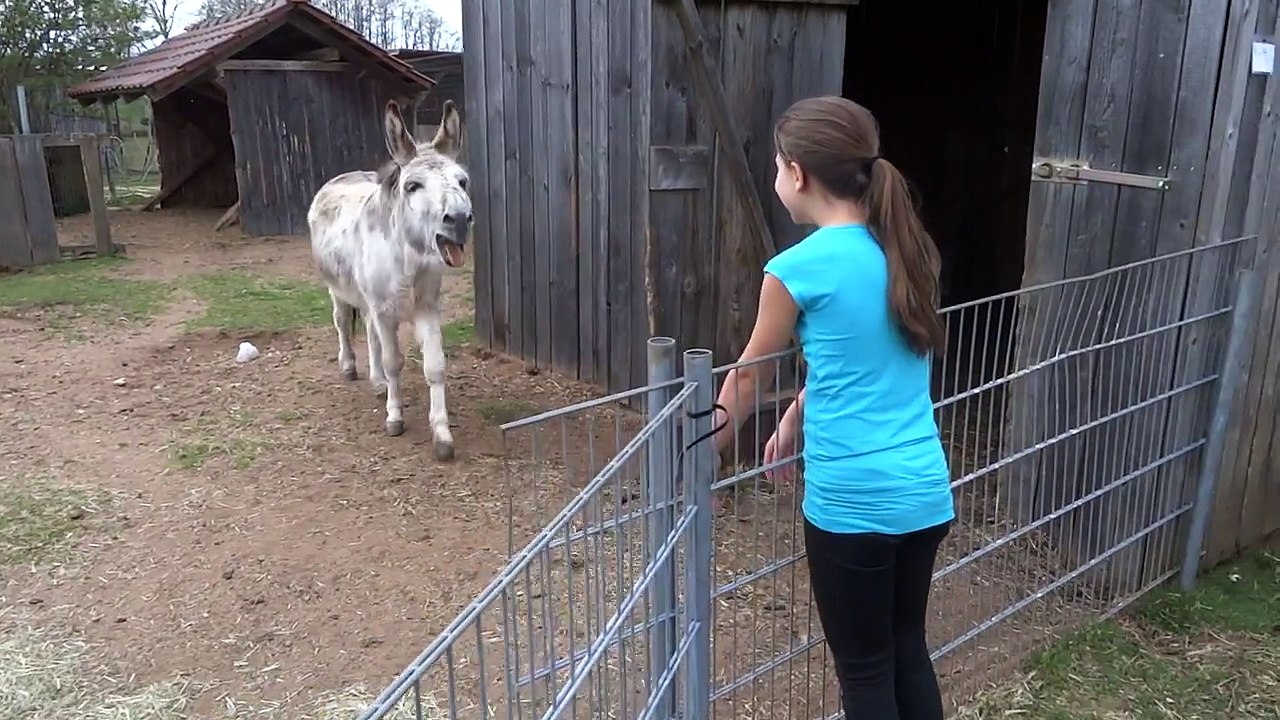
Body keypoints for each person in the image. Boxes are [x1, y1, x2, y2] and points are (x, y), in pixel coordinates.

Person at [711, 95, 955, 720]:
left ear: (798, 174)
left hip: (853, 503)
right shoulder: (908, 251)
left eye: (775, 166)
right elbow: (857, 358)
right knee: (906, 651)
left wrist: (693, 457)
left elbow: (743, 379)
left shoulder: (795, 269)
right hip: (924, 492)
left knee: (865, 674)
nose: (775, 179)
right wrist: (796, 416)